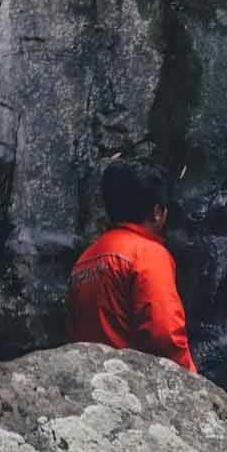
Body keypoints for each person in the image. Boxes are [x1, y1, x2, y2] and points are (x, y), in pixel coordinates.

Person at [66, 160, 198, 373]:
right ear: (157, 211)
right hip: (135, 384)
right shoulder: (147, 254)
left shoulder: (84, 260)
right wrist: (191, 382)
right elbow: (164, 333)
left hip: (92, 381)